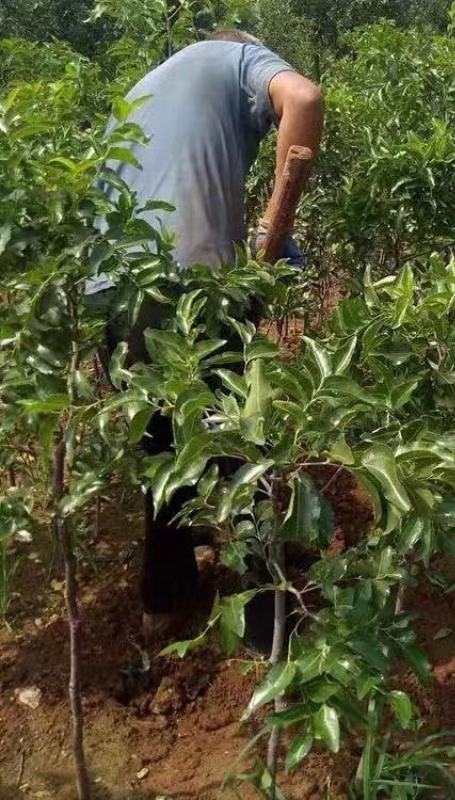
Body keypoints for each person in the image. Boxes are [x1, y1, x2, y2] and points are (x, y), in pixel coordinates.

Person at [86, 29, 324, 633]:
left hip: (111, 290)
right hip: (189, 287)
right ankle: (269, 623)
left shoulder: (144, 90)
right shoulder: (236, 54)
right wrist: (274, 227)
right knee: (237, 443)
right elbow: (304, 99)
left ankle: (164, 605)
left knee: (161, 445)